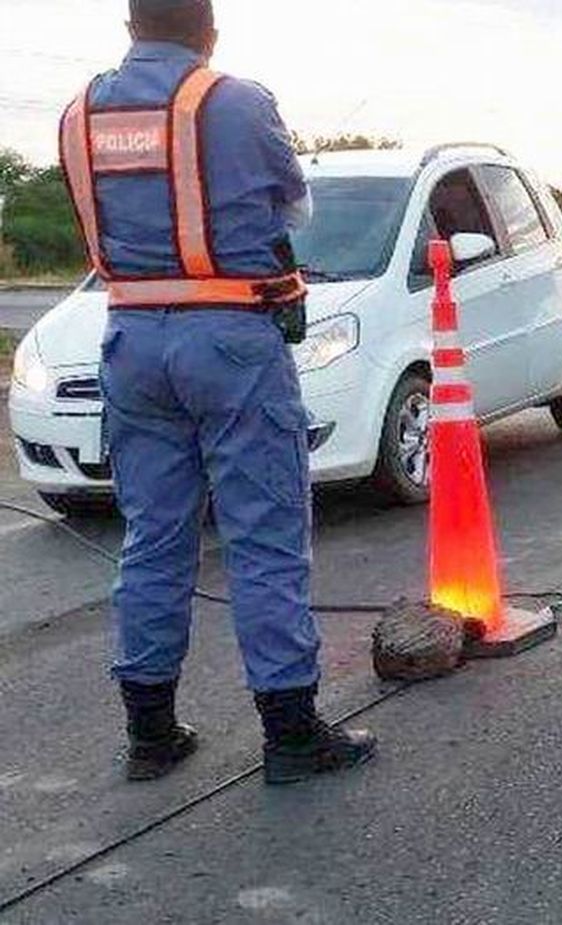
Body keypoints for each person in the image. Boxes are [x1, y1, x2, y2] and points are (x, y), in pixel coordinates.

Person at [59, 0, 375, 784]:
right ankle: (293, 736)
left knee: (153, 534)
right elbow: (294, 206)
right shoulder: (234, 100)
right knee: (263, 535)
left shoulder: (79, 115)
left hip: (131, 338)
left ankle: (152, 733)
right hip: (230, 337)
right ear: (209, 33)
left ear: (130, 28)